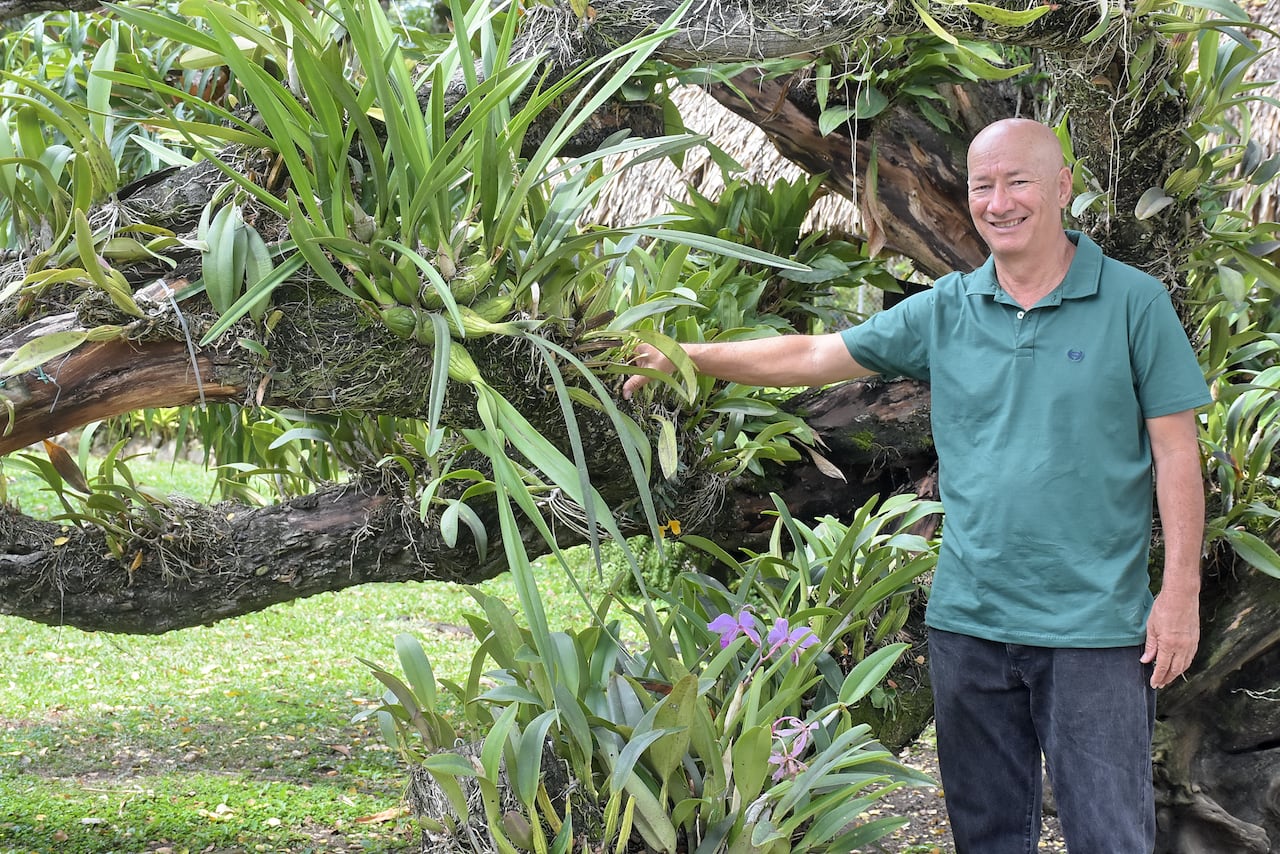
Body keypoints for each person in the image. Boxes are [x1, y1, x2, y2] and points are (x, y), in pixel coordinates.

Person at [622, 117, 1209, 853]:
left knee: (1111, 837)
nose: (998, 202)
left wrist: (1179, 593)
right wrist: (688, 355)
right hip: (969, 624)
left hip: (1093, 629)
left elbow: (1177, 455)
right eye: (982, 185)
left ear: (1062, 187)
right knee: (987, 836)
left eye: (1017, 181)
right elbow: (812, 353)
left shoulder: (1134, 304)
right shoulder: (948, 310)